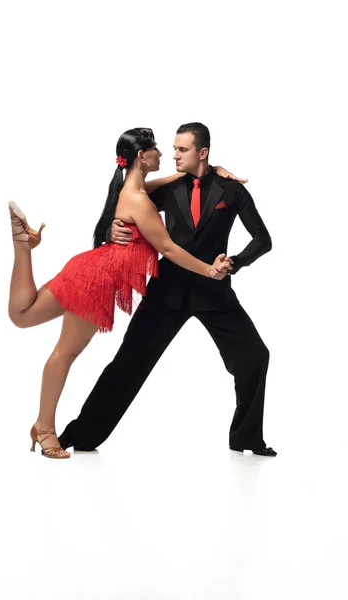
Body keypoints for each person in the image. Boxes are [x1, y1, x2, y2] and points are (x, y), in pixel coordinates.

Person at [8, 127, 241, 459]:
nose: (164, 154)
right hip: (96, 281)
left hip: (89, 269)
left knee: (22, 315)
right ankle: (45, 429)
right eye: (158, 149)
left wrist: (215, 170)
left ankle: (24, 247)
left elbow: (170, 181)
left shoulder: (133, 190)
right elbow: (168, 249)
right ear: (142, 157)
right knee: (66, 352)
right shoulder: (137, 198)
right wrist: (208, 270)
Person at [58, 122, 277, 457]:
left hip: (214, 291)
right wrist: (111, 227)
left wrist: (232, 262)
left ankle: (245, 437)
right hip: (167, 289)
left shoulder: (232, 191)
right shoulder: (167, 189)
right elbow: (126, 198)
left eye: (182, 150)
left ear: (202, 153)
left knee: (255, 356)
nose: (174, 154)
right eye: (172, 148)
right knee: (128, 362)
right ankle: (81, 434)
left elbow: (263, 240)